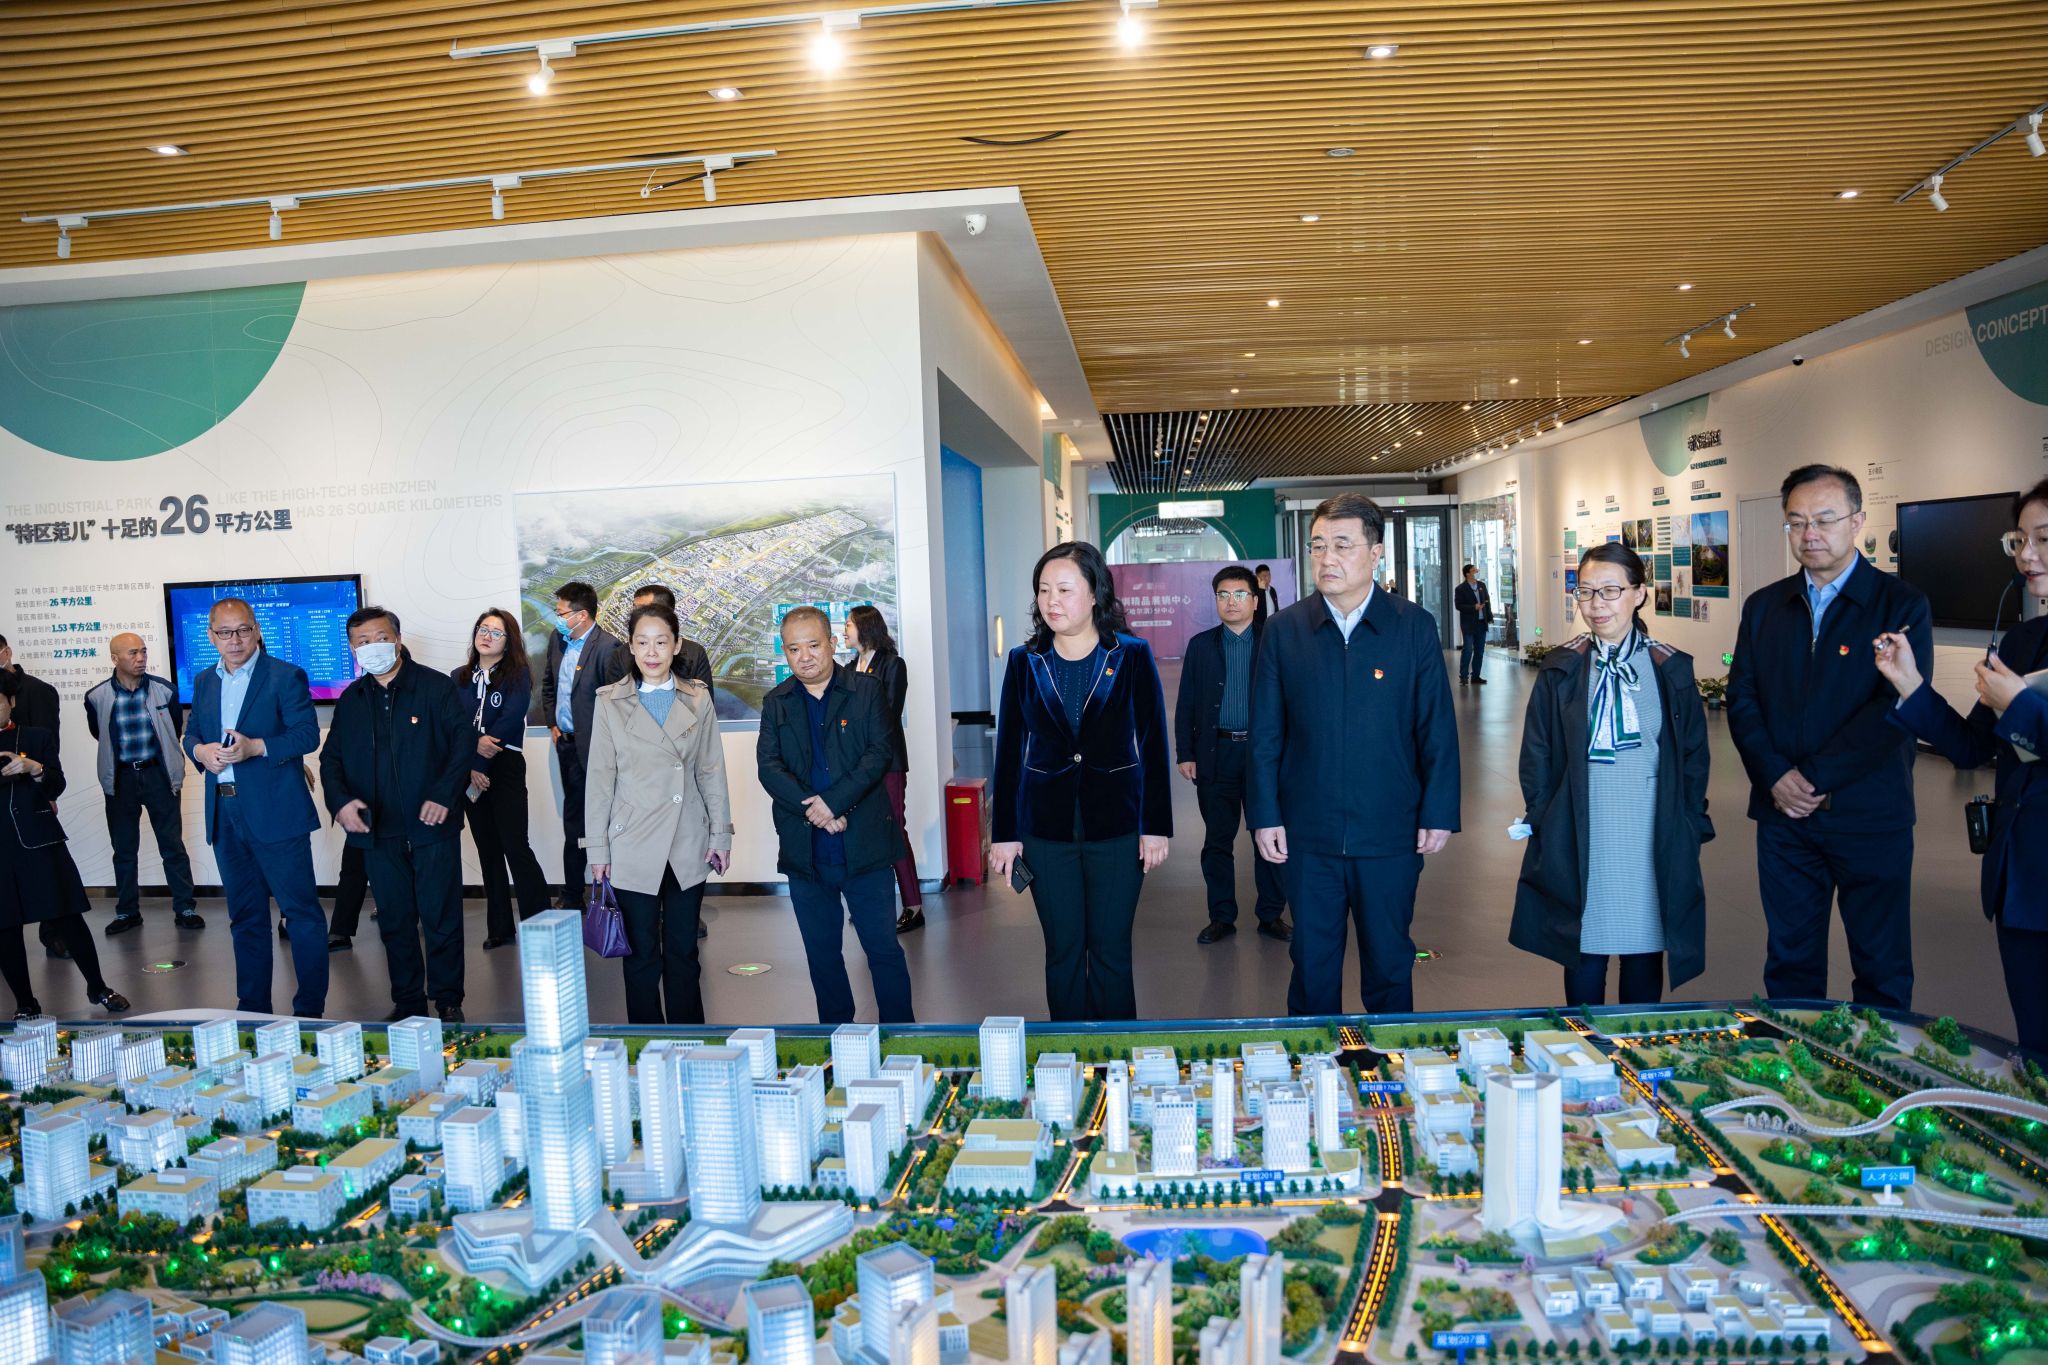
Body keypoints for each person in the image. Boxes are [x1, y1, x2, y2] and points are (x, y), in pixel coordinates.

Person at [1727, 464, 1932, 1009]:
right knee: (1790, 963)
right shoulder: (1764, 607)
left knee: (1882, 968)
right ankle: (1796, 1059)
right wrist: (1775, 775)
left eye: (1823, 520)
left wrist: (1812, 778)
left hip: (1870, 817)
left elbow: (1894, 708)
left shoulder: (1901, 604)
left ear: (1857, 522)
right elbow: (1742, 699)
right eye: (1796, 522)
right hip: (1784, 820)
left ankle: (1881, 1064)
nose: (1809, 533)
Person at [1250, 493, 1460, 1016]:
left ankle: (1390, 1064)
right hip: (1308, 834)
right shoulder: (1285, 630)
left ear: (1376, 552)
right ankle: (1312, 1064)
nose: (1327, 558)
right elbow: (1266, 734)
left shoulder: (1412, 626)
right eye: (1318, 545)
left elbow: (1435, 727)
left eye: (1342, 545)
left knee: (1389, 964)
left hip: (1389, 831)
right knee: (1312, 966)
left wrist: (1438, 810)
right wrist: (1265, 815)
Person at [1874, 478, 2048, 1058]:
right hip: (2022, 882)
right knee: (2035, 1048)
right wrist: (1911, 686)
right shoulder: (2022, 642)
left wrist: (2020, 706)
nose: (2027, 555)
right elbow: (1973, 746)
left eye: (2044, 539)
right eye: (2019, 539)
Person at [1509, 544, 1713, 1005]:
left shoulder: (1670, 667)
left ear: (1639, 594)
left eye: (1610, 591)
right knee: (1584, 950)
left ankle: (1635, 1045)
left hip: (1649, 831)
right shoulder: (1562, 668)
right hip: (1584, 830)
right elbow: (1536, 753)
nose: (1596, 604)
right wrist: (1545, 816)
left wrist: (1689, 820)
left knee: (1645, 950)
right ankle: (1587, 1041)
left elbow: (1694, 757)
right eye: (1585, 592)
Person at [990, 542, 1171, 1022]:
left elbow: (1153, 742)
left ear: (1095, 595)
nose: (1052, 600)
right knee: (1063, 953)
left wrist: (1155, 825)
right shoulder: (1024, 660)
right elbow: (1009, 750)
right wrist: (1005, 833)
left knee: (1111, 952)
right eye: (1044, 590)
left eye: (1065, 590)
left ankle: (1116, 1053)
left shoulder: (1131, 655)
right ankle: (1069, 1052)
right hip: (1045, 832)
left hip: (1116, 827)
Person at [759, 607, 915, 1023]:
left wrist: (834, 803)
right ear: (785, 653)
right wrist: (818, 811)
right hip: (806, 850)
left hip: (865, 845)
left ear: (831, 644)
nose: (804, 656)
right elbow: (769, 768)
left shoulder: (866, 690)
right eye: (794, 649)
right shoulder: (776, 702)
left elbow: (878, 754)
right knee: (822, 956)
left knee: (883, 950)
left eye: (813, 645)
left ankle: (902, 1037)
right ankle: (837, 1041)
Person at [319, 607, 474, 1023]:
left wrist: (444, 795)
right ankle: (408, 1002)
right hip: (378, 831)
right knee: (395, 920)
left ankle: (447, 1000)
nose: (373, 647)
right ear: (352, 649)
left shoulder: (435, 687)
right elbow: (331, 759)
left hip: (432, 827)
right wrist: (341, 802)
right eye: (362, 642)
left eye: (381, 638)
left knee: (441, 917)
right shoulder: (352, 699)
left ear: (398, 640)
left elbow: (462, 744)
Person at [184, 597, 329, 1018]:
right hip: (224, 813)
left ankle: (309, 1012)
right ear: (211, 636)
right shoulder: (204, 681)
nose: (235, 640)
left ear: (257, 630)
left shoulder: (285, 675)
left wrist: (257, 747)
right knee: (245, 917)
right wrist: (199, 751)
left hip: (277, 813)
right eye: (225, 632)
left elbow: (306, 735)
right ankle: (251, 1010)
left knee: (300, 914)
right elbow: (191, 734)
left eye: (243, 630)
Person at [587, 603, 730, 1025]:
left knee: (684, 953)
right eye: (643, 642)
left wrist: (720, 835)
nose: (652, 652)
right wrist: (597, 849)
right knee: (641, 955)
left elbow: (711, 771)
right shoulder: (609, 702)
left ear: (677, 645)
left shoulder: (698, 698)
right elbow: (600, 779)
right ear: (631, 647)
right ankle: (648, 1042)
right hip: (631, 842)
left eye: (661, 642)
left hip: (688, 841)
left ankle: (691, 1040)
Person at [0, 672, 130, 1016]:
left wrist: (35, 769)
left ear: (11, 702)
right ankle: (25, 1003)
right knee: (5, 928)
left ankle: (98, 987)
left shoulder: (36, 737)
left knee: (68, 916)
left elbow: (56, 785)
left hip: (38, 841)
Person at [1175, 565, 1288, 944]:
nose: (1231, 602)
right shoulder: (1201, 646)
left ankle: (1271, 914)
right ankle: (1221, 916)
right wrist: (1185, 752)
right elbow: (1186, 703)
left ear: (1255, 601)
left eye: (1240, 594)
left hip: (1264, 757)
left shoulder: (1274, 641)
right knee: (1217, 841)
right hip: (1216, 753)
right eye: (1223, 595)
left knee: (1268, 835)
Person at [83, 633, 204, 934]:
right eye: (133, 653)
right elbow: (100, 733)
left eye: (143, 652)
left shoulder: (166, 691)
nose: (141, 658)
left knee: (172, 846)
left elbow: (173, 729)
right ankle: (127, 912)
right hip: (120, 778)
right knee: (124, 850)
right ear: (115, 658)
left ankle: (185, 908)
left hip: (158, 776)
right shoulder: (96, 696)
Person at [456, 609, 553, 949]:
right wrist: (473, 759)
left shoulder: (517, 675)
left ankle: (539, 924)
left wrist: (481, 763)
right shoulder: (458, 677)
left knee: (516, 846)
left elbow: (510, 720)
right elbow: (452, 724)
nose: (487, 636)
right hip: (468, 768)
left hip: (504, 765)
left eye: (496, 632)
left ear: (509, 641)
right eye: (483, 629)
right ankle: (499, 928)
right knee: (488, 850)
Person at [536, 582, 623, 907]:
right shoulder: (557, 640)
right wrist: (553, 723)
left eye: (561, 613)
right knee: (574, 822)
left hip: (599, 751)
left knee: (607, 821)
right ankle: (573, 896)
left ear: (582, 615)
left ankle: (612, 897)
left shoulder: (609, 648)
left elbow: (616, 705)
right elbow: (548, 683)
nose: (557, 619)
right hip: (567, 747)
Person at [844, 604, 925, 933]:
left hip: (887, 762)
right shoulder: (848, 668)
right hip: (857, 765)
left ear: (865, 627)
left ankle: (913, 907)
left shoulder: (893, 664)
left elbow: (888, 713)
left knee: (893, 830)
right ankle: (873, 905)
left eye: (849, 625)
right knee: (863, 833)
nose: (844, 630)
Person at [4, 632, 71, 961]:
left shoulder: (37, 691)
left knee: (46, 876)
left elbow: (48, 747)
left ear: (6, 653)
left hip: (30, 791)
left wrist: (44, 784)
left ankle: (54, 935)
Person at [616, 584, 714, 694]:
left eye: (643, 610)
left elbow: (704, 699)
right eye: (634, 608)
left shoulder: (695, 653)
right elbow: (613, 699)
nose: (635, 615)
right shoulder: (621, 655)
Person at [1454, 563, 1493, 685]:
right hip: (1468, 624)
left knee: (1479, 651)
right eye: (1473, 570)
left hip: (1481, 623)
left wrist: (1489, 616)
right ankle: (1463, 677)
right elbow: (1458, 606)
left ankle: (1476, 676)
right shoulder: (1460, 589)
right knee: (1468, 650)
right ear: (1467, 574)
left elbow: (1487, 602)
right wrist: (1473, 607)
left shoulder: (1482, 585)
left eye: (1476, 570)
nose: (1476, 571)